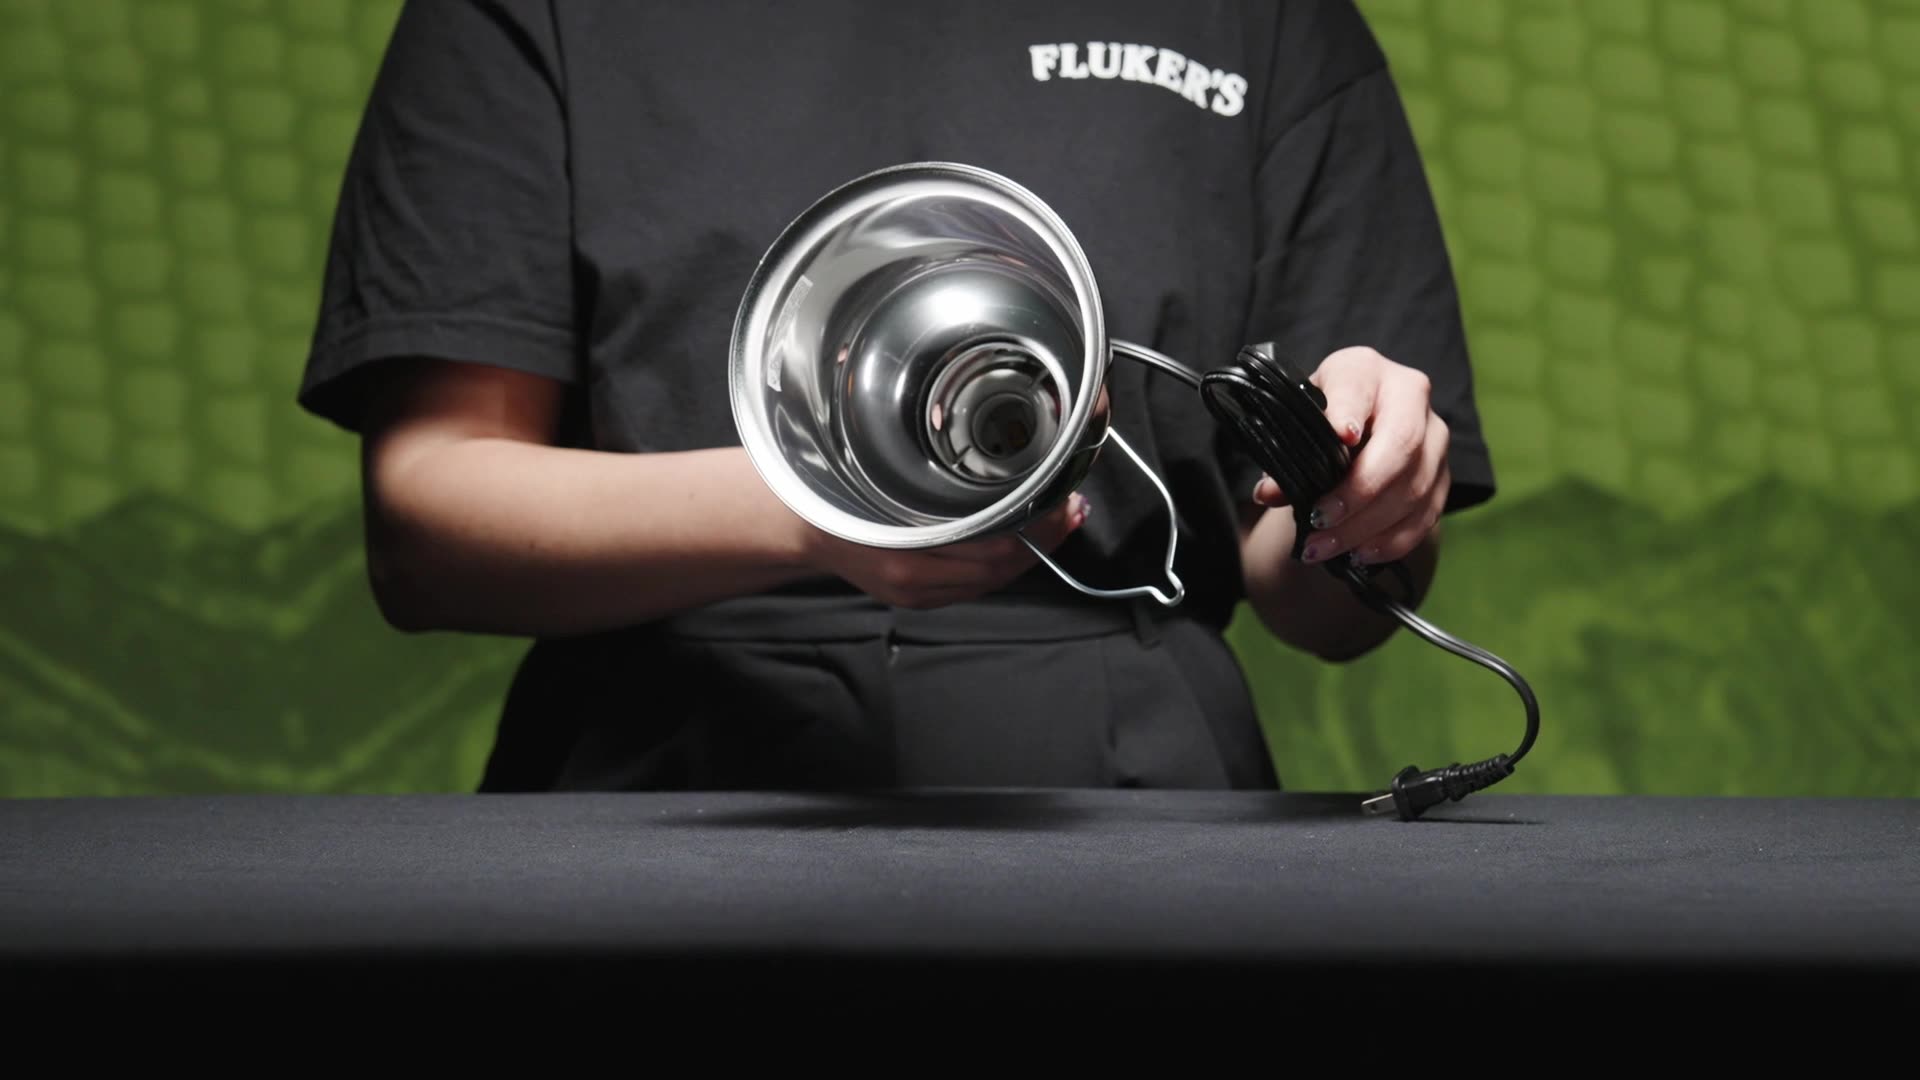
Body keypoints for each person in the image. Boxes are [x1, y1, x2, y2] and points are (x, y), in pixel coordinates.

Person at [296, 0, 1496, 793]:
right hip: (655, 793)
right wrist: (814, 514)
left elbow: (1328, 611)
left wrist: (1365, 499)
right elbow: (429, 527)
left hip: (1139, 797)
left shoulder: (1263, 17)